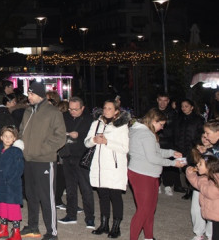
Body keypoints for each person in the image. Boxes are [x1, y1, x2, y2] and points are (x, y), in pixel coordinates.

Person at [18, 80, 68, 240]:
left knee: (47, 197)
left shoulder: (53, 113)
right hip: (28, 159)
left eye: (31, 94)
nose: (28, 97)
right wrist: (20, 143)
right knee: (31, 195)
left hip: (44, 160)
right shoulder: (28, 111)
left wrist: (41, 150)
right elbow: (21, 130)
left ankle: (52, 231)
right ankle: (33, 226)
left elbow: (60, 137)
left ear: (38, 94)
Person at [127, 107, 187, 240]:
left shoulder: (144, 131)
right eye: (161, 124)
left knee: (150, 208)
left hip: (148, 173)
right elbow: (153, 158)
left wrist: (171, 153)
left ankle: (148, 237)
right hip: (142, 174)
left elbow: (155, 151)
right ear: (154, 121)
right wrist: (173, 163)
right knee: (143, 210)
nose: (162, 128)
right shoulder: (146, 134)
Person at [82, 99, 130, 237]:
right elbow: (86, 143)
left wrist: (107, 141)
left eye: (110, 108)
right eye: (105, 108)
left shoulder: (121, 126)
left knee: (115, 196)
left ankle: (116, 226)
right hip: (99, 166)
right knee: (102, 196)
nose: (106, 111)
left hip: (114, 167)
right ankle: (104, 224)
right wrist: (93, 140)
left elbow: (124, 148)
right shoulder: (96, 123)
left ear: (116, 111)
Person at [58, 96, 96, 229]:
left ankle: (90, 218)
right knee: (70, 187)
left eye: (75, 109)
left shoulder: (89, 119)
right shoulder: (64, 116)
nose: (72, 112)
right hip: (68, 155)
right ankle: (71, 214)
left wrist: (79, 135)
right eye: (70, 109)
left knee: (85, 188)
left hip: (82, 156)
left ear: (82, 108)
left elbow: (92, 138)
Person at [0, 126, 25, 240]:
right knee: (2, 207)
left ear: (14, 138)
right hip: (0, 184)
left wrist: (10, 180)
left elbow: (19, 169)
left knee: (13, 209)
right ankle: (3, 229)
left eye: (10, 136)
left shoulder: (16, 151)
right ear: (1, 137)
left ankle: (16, 233)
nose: (8, 139)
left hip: (11, 186)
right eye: (5, 136)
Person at [187, 153, 219, 240]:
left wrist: (202, 181)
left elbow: (211, 192)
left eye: (200, 164)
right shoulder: (206, 177)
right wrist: (191, 174)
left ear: (208, 167)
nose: (197, 165)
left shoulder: (216, 179)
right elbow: (197, 183)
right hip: (215, 216)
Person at [179, 99, 206, 201]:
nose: (184, 108)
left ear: (192, 107)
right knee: (184, 168)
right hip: (182, 147)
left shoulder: (198, 119)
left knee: (193, 168)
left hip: (192, 148)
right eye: (182, 106)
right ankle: (188, 188)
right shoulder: (180, 118)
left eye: (186, 106)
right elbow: (178, 133)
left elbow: (200, 134)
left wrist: (196, 144)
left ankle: (192, 189)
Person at [156, 91, 181, 195]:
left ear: (168, 101)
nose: (162, 103)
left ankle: (168, 185)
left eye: (165, 101)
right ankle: (156, 184)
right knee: (156, 163)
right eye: (161, 100)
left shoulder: (173, 113)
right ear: (157, 100)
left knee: (168, 166)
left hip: (169, 142)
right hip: (156, 141)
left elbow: (177, 128)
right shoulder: (153, 111)